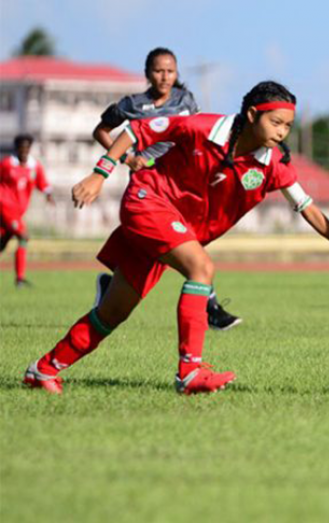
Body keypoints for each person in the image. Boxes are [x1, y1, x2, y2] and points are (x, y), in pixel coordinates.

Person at [23, 81, 329, 395]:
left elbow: (309, 208)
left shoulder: (272, 164)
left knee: (112, 313)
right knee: (201, 267)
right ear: (252, 114)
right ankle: (189, 372)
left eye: (287, 126)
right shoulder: (201, 126)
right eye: (275, 122)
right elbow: (134, 130)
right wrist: (99, 174)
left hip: (174, 229)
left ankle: (43, 370)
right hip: (149, 202)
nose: (282, 132)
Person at [92, 47, 240, 330]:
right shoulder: (132, 104)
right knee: (178, 244)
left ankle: (111, 284)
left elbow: (199, 133)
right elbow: (101, 131)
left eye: (170, 71)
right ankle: (211, 307)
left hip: (181, 182)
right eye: (159, 71)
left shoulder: (186, 100)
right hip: (150, 184)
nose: (164, 76)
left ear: (177, 73)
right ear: (148, 73)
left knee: (166, 246)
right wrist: (127, 157)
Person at [0, 134, 54, 288]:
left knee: (2, 243)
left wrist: (48, 195)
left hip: (18, 212)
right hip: (4, 206)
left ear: (30, 148)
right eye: (21, 147)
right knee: (23, 237)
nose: (24, 150)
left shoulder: (34, 166)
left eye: (27, 147)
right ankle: (20, 279)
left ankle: (19, 279)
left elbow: (43, 183)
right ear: (16, 148)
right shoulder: (7, 164)